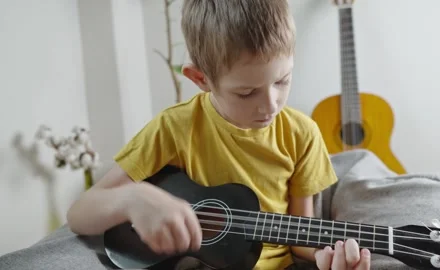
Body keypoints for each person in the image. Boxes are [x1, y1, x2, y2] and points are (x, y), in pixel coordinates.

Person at [66, 0, 371, 269]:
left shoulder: (302, 134)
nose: (270, 106)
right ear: (200, 78)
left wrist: (324, 258)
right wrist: (133, 198)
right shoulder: (174, 128)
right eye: (246, 92)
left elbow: (301, 235)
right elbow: (80, 214)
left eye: (282, 81)